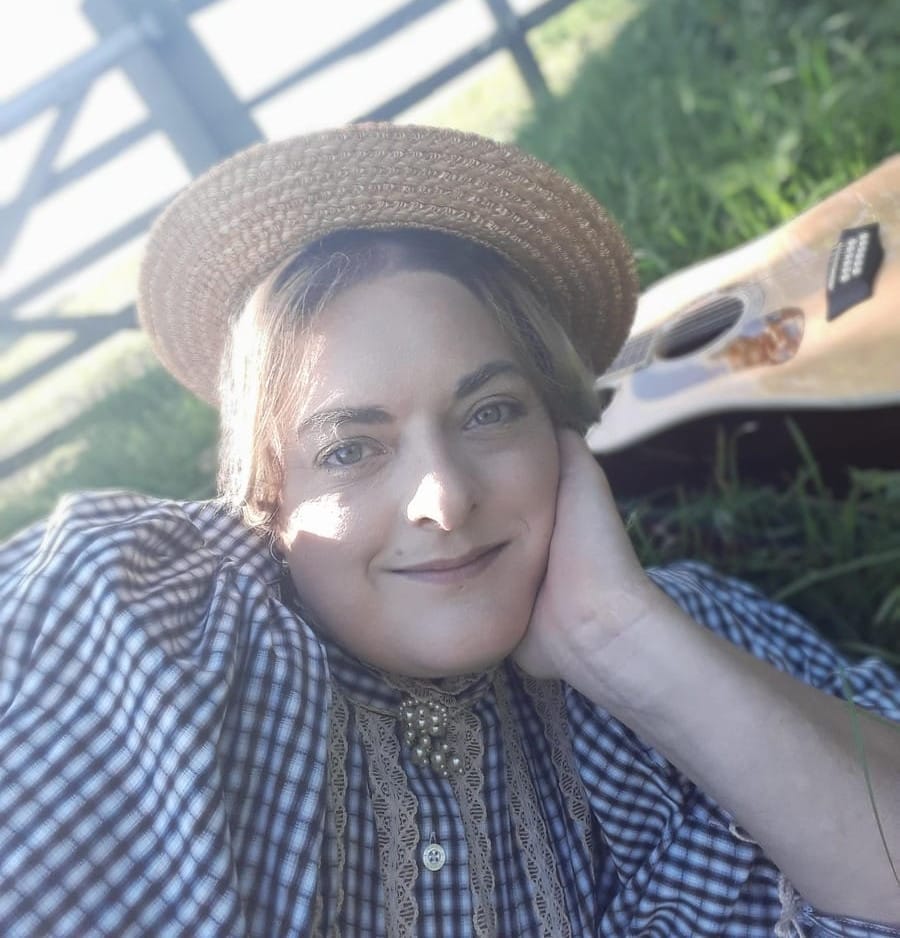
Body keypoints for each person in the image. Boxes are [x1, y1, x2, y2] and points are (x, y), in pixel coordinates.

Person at [1, 124, 899, 937]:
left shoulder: (689, 637)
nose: (444, 498)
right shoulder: (154, 633)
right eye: (352, 449)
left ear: (560, 429)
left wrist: (620, 640)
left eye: (489, 411)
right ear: (267, 497)